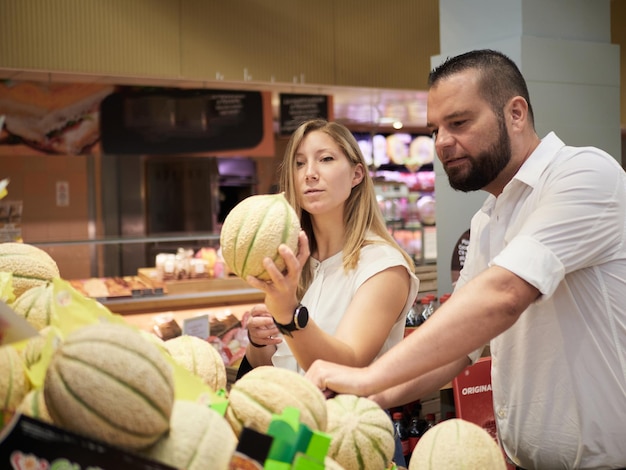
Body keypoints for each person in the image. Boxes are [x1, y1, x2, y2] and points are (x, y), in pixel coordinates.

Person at [305, 50, 626, 470]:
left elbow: (504, 294)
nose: (440, 142)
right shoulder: (487, 220)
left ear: (515, 113)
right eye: (435, 128)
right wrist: (369, 397)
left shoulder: (584, 174)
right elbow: (458, 351)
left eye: (458, 123)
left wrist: (367, 376)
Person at [237, 119, 420, 466]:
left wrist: (288, 311)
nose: (310, 173)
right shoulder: (291, 261)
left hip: (350, 443)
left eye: (325, 159)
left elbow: (346, 365)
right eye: (300, 162)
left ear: (356, 175)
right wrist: (258, 342)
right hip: (286, 436)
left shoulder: (383, 265)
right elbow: (272, 365)